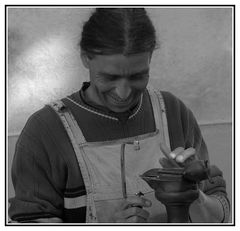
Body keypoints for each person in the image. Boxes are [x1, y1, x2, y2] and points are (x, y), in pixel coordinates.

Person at [8, 8, 230, 223]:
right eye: (109, 77)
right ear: (85, 57)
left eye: (137, 76)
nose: (123, 93)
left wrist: (192, 194)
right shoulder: (45, 131)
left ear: (150, 58)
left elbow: (221, 214)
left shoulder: (172, 112)